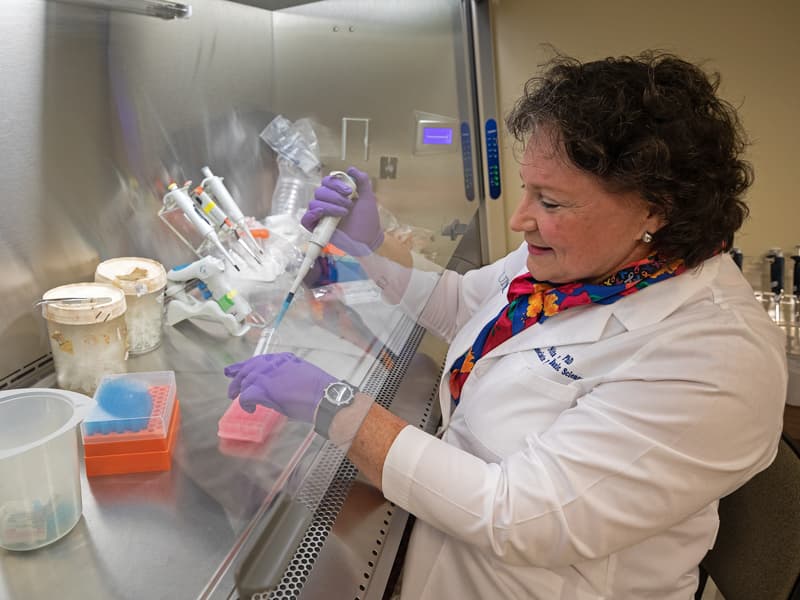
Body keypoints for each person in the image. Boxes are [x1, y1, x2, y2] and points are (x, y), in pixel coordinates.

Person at [224, 51, 788, 599]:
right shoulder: (585, 261)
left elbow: (519, 514)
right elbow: (464, 304)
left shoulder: (717, 360)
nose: (521, 220)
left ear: (655, 209)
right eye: (527, 189)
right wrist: (370, 246)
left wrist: (336, 407)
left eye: (550, 201)